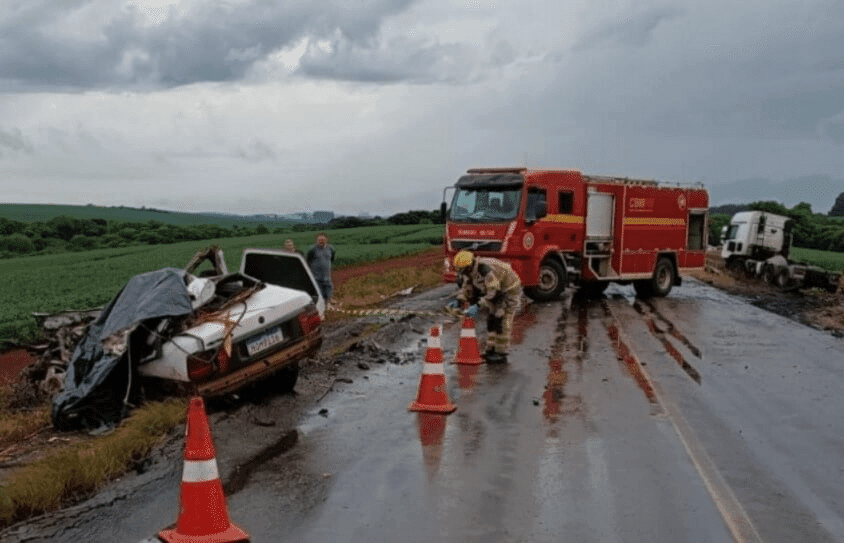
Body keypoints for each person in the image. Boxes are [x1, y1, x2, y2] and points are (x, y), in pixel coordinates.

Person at [451, 250, 522, 363]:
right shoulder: (469, 271)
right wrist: (459, 299)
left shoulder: (485, 270)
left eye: (463, 270)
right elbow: (466, 287)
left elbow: (493, 292)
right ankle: (491, 349)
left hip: (508, 290)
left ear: (469, 266)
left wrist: (478, 305)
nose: (462, 273)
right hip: (496, 291)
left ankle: (501, 353)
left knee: (502, 319)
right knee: (492, 319)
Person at [306, 232, 336, 302]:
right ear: (316, 241)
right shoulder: (312, 250)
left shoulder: (331, 249)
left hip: (327, 275)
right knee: (318, 291)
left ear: (326, 240)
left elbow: (331, 259)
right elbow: (308, 261)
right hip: (316, 276)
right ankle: (321, 303)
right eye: (319, 240)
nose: (321, 242)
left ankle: (329, 302)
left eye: (323, 240)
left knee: (328, 288)